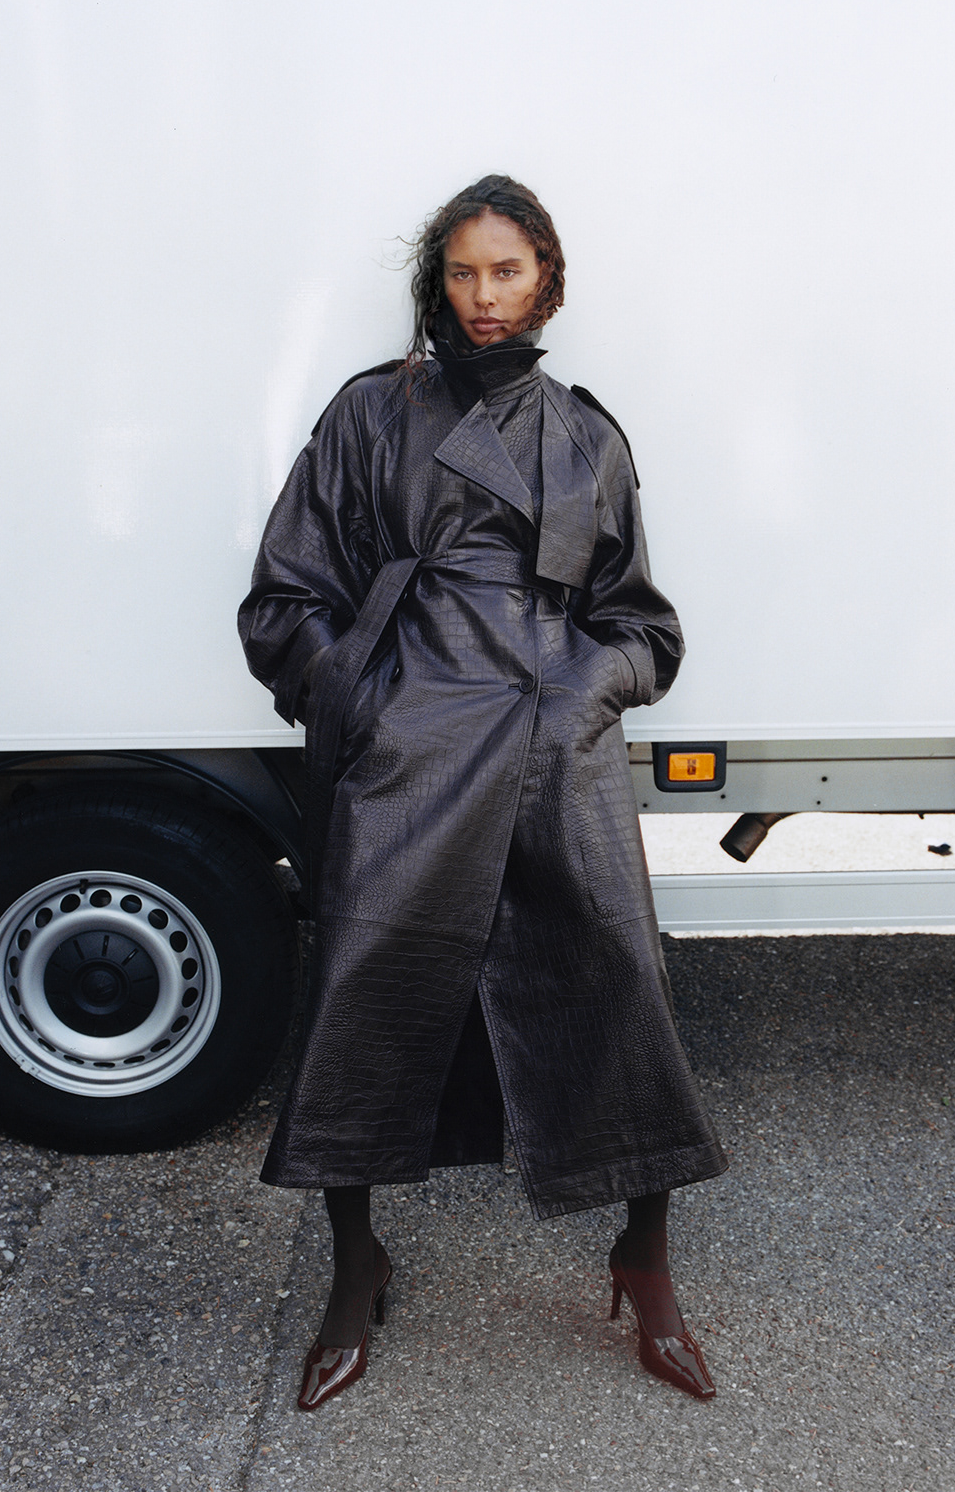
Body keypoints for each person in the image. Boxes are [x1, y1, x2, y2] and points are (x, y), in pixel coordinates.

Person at [238, 174, 726, 1410]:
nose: (484, 295)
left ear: (547, 279)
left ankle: (645, 1262)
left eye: (507, 270)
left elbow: (643, 626)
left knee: (619, 990)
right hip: (413, 750)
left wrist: (581, 695)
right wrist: (364, 699)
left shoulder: (586, 436)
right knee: (364, 996)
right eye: (463, 271)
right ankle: (356, 1268)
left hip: (554, 750)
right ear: (437, 281)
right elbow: (285, 596)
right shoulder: (373, 413)